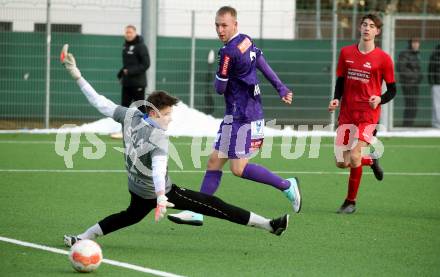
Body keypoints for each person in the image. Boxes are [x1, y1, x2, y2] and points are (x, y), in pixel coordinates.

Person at [60, 44, 290, 246]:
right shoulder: (158, 136)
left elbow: (100, 102)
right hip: (158, 193)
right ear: (152, 112)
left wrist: (77, 75)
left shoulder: (131, 116)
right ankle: (270, 225)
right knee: (216, 206)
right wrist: (161, 197)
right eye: (167, 114)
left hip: (138, 190)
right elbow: (159, 171)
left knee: (127, 216)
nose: (170, 118)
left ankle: (81, 238)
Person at [168, 6, 301, 226]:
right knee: (214, 161)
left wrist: (221, 74)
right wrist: (281, 88)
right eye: (217, 25)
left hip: (246, 116)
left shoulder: (228, 52)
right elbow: (261, 62)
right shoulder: (246, 40)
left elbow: (220, 88)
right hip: (235, 114)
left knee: (238, 169)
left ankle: (287, 186)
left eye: (224, 25)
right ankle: (198, 212)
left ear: (235, 24)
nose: (220, 30)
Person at [328, 14, 397, 214]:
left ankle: (350, 202)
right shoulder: (346, 53)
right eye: (365, 24)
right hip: (347, 113)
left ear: (378, 31)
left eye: (372, 26)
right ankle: (371, 160)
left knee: (355, 155)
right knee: (341, 162)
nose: (367, 28)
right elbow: (340, 81)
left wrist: (380, 99)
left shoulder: (384, 59)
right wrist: (336, 99)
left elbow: (392, 90)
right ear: (360, 28)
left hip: (368, 114)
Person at [111, 25, 150, 139]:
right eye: (126, 32)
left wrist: (130, 71)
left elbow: (146, 64)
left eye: (130, 32)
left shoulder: (141, 47)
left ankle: (149, 128)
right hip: (127, 83)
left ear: (135, 33)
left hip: (138, 83)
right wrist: (122, 73)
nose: (128, 34)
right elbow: (128, 65)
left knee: (141, 107)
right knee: (124, 108)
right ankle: (123, 131)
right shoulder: (125, 46)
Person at [397, 37, 422, 127]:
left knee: (413, 106)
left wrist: (419, 77)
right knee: (411, 106)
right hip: (408, 84)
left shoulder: (416, 54)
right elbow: (401, 68)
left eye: (417, 42)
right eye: (414, 42)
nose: (416, 44)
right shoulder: (405, 54)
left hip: (415, 84)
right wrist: (415, 76)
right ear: (410, 43)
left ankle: (408, 125)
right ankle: (406, 126)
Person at [428, 44, 440, 128]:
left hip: (436, 82)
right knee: (436, 104)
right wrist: (432, 82)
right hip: (437, 83)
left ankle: (435, 123)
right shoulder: (435, 53)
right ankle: (436, 124)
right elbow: (431, 68)